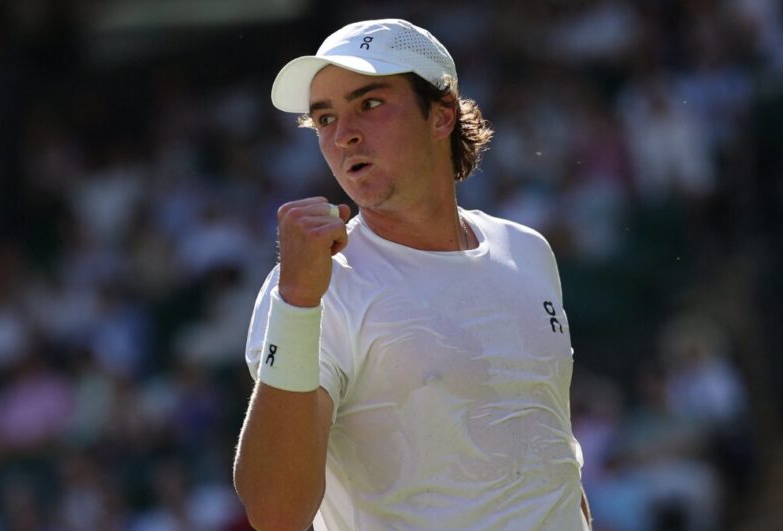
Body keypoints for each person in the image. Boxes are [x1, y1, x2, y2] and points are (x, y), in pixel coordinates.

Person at [233, 18, 591, 530]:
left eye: (370, 103)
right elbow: (275, 512)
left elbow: (550, 447)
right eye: (325, 118)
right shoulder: (314, 287)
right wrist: (296, 300)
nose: (344, 133)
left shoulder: (528, 250)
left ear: (442, 115)